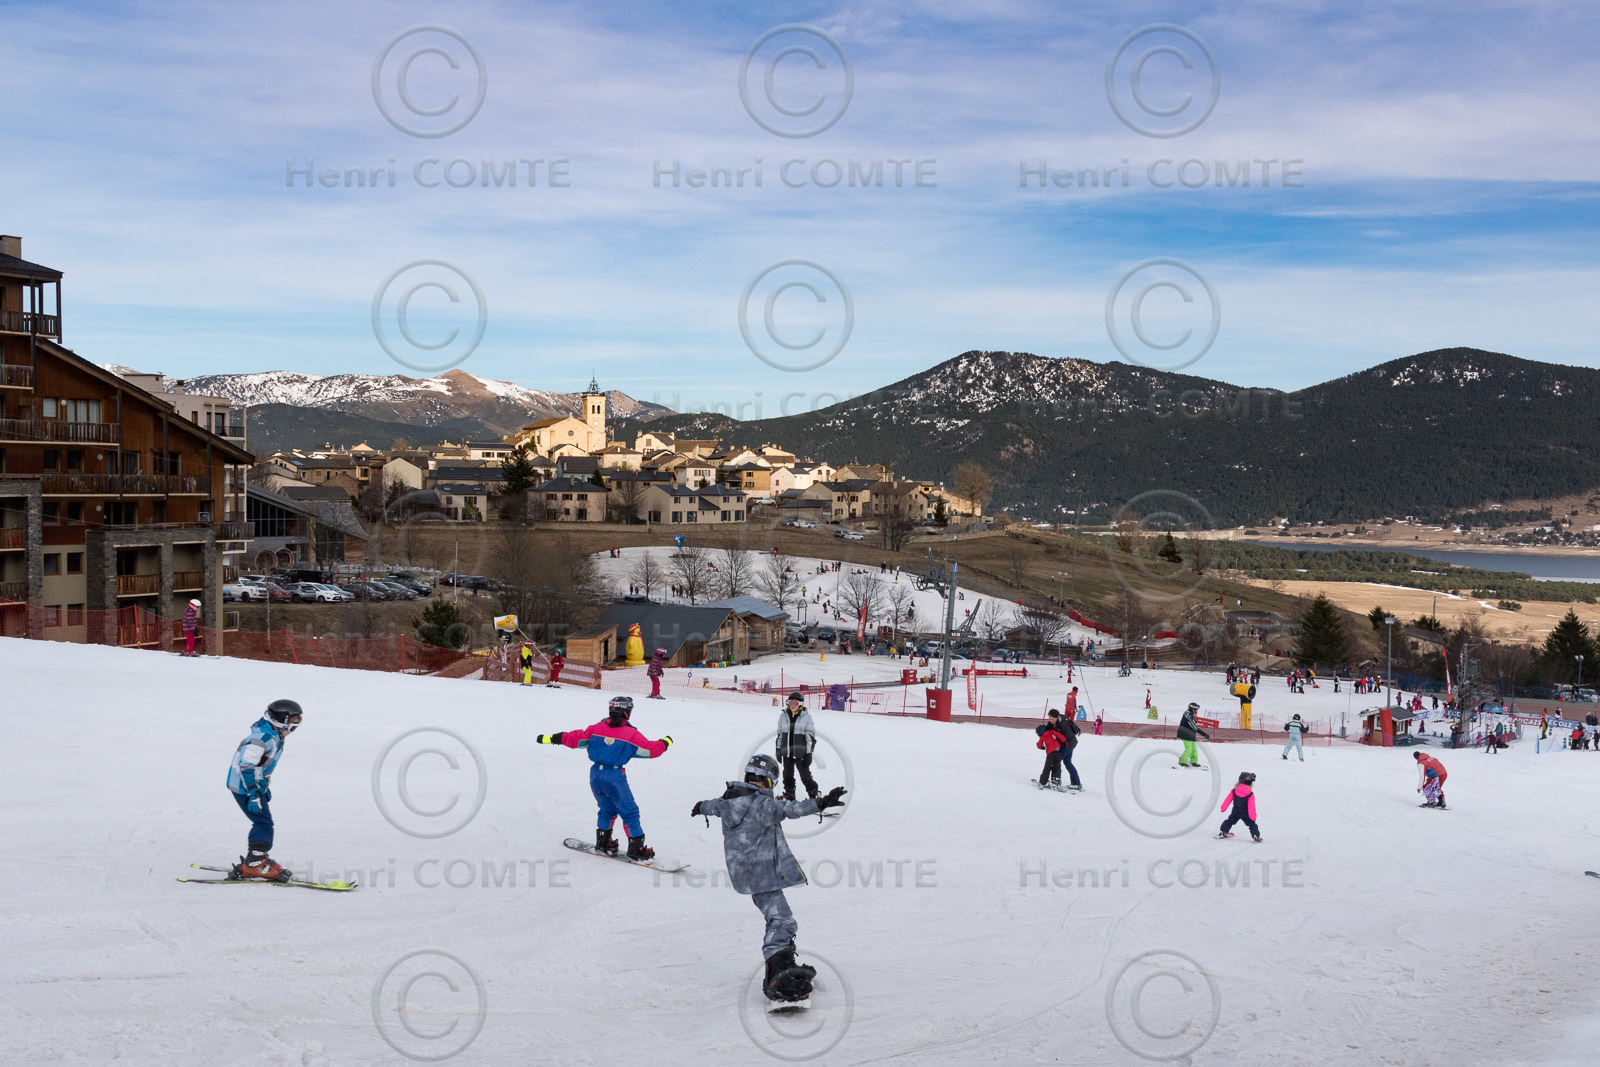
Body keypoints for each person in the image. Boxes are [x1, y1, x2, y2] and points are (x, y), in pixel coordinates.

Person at [693, 755, 846, 1002]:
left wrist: (700, 806)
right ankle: (778, 976)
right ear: (769, 781)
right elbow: (791, 809)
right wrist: (820, 803)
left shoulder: (726, 802)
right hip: (763, 874)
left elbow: (710, 804)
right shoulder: (761, 805)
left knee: (777, 919)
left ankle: (781, 965)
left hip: (744, 874)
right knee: (782, 921)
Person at [537, 696, 671, 860]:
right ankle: (637, 849)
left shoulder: (596, 728)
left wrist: (549, 738)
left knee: (607, 809)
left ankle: (603, 842)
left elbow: (574, 737)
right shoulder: (630, 734)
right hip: (614, 777)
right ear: (627, 712)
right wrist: (665, 742)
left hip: (595, 777)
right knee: (630, 812)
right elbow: (651, 750)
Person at [225, 699, 303, 881]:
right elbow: (246, 765)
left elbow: (262, 766)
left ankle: (258, 858)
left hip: (252, 786)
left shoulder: (273, 736)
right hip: (245, 787)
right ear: (280, 721)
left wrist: (263, 786)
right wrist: (253, 792)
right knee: (264, 823)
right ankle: (254, 864)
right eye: (292, 726)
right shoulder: (261, 739)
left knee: (263, 821)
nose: (292, 731)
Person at [775, 692, 820, 801]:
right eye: (791, 702)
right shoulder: (783, 716)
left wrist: (809, 753)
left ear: (800, 704)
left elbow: (810, 738)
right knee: (787, 775)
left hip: (801, 754)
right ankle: (789, 794)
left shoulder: (807, 718)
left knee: (805, 776)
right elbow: (780, 734)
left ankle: (813, 795)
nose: (793, 705)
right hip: (787, 753)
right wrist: (778, 749)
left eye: (796, 703)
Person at [1217, 772, 1262, 841]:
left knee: (1229, 821)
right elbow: (1251, 807)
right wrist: (1253, 817)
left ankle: (1223, 831)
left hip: (1235, 811)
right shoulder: (1250, 794)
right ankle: (1255, 835)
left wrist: (1223, 808)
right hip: (1245, 813)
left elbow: (1227, 800)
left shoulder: (1234, 791)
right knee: (1252, 824)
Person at [1034, 710, 1067, 789]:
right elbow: (1062, 737)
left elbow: (1038, 745)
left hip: (1050, 754)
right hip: (1058, 752)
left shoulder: (1042, 737)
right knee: (1056, 767)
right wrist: (1064, 742)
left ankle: (1042, 782)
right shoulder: (1052, 731)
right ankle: (1056, 782)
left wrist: (1043, 747)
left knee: (1047, 768)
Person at [1177, 701, 1209, 768]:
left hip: (1190, 735)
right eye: (1196, 709)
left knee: (1194, 749)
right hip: (1185, 734)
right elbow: (1195, 727)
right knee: (1189, 749)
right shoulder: (1188, 716)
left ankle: (1193, 762)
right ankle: (1182, 762)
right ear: (1192, 709)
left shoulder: (1190, 715)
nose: (1197, 711)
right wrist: (1204, 734)